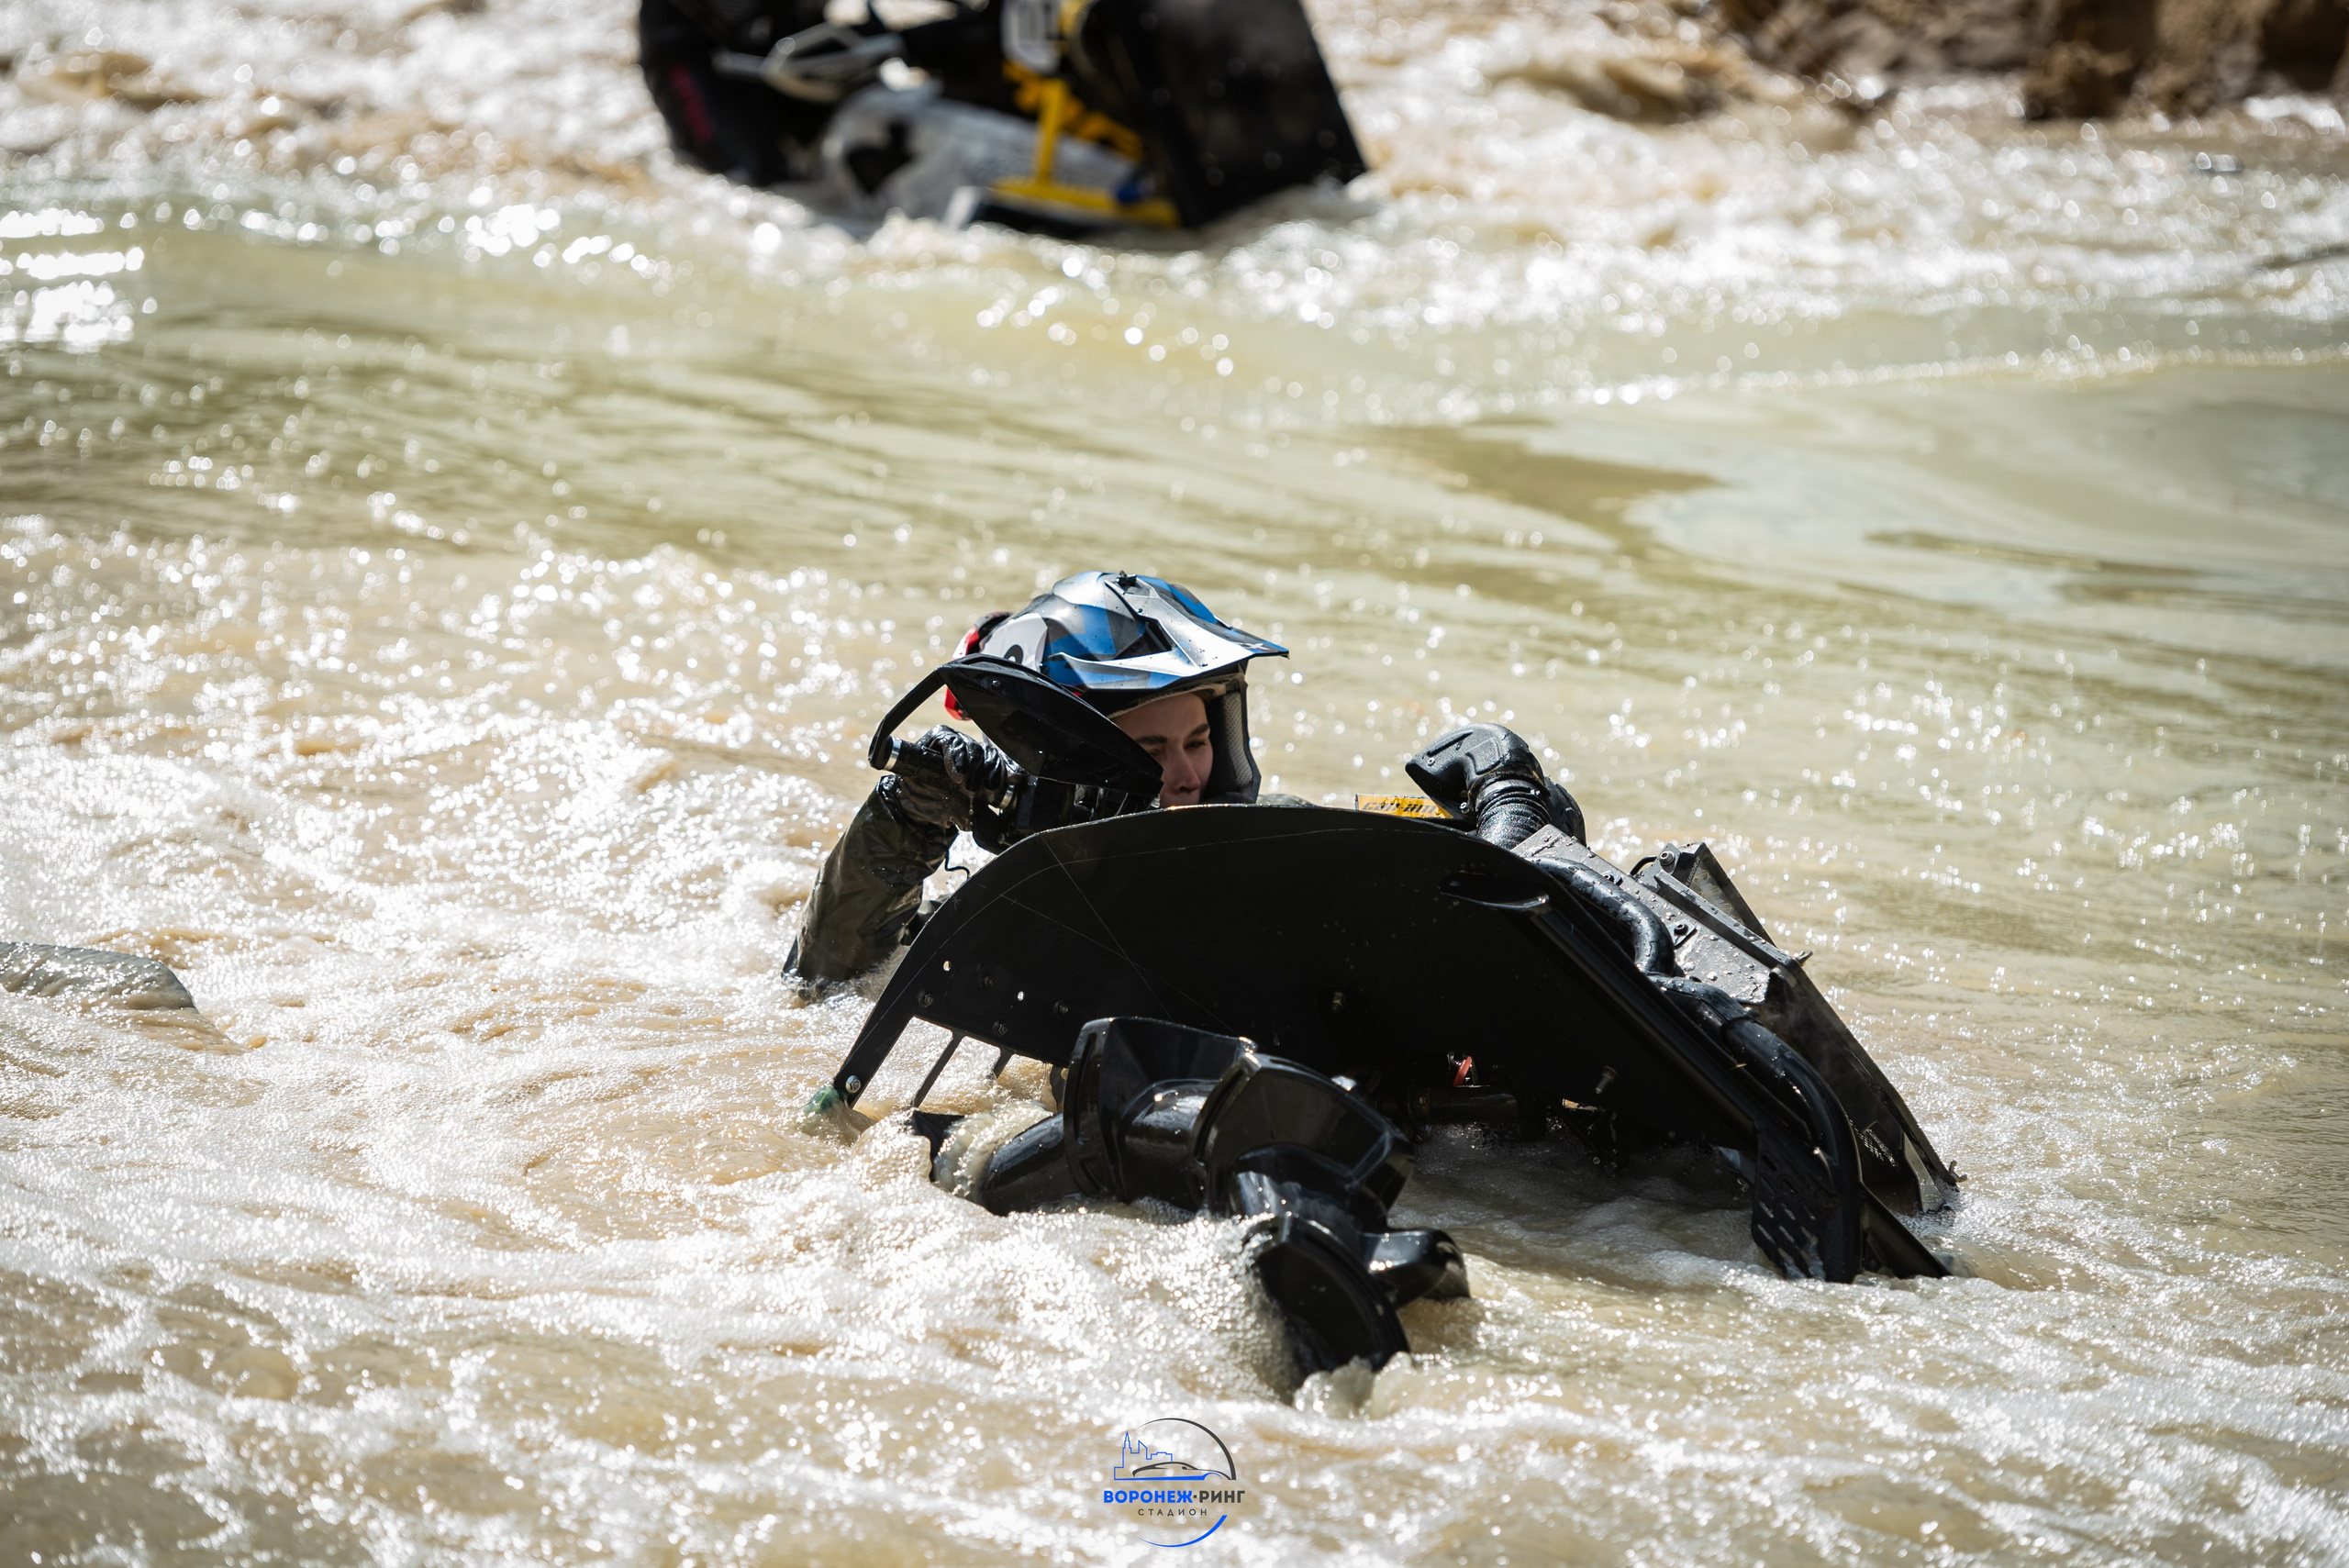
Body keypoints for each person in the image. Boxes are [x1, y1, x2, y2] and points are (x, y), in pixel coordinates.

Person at [782, 571, 1284, 995]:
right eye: (1151, 753)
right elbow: (826, 982)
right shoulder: (997, 925)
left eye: (1197, 743)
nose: (1189, 779)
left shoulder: (1287, 843)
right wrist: (908, 819)